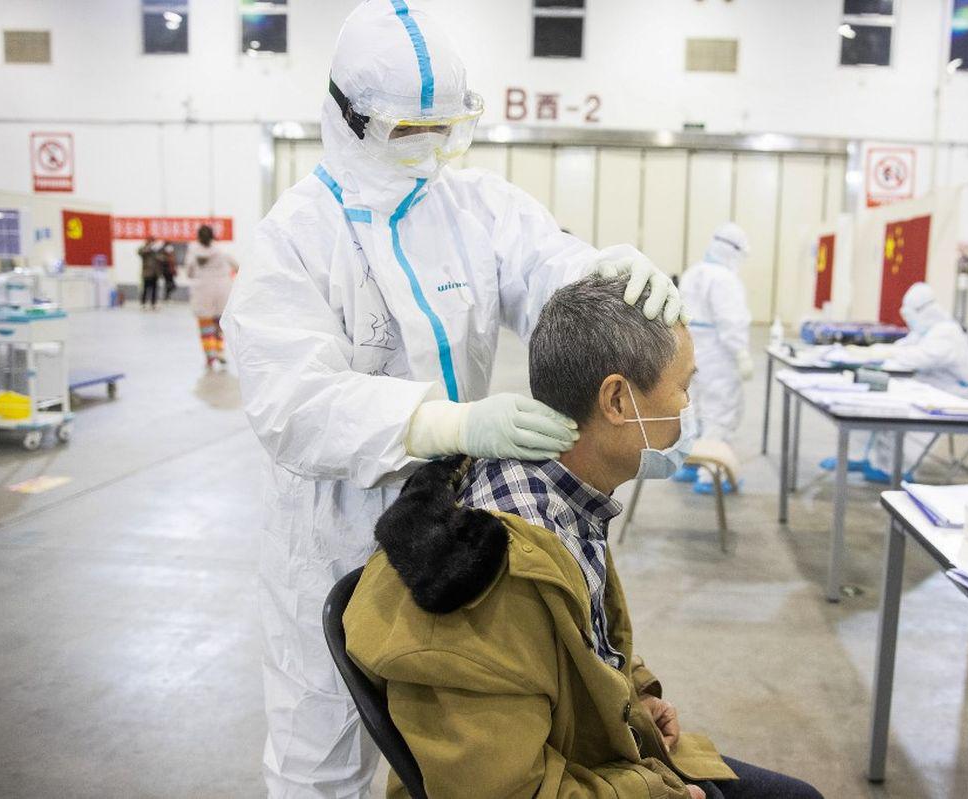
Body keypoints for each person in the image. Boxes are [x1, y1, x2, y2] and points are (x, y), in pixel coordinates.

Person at [221, 3, 683, 796]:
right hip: (331, 529)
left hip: (449, 527)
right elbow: (291, 404)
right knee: (318, 760)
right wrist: (450, 423)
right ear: (348, 117)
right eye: (408, 131)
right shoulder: (296, 239)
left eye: (447, 128)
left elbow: (544, 266)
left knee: (453, 730)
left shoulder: (472, 207)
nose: (430, 150)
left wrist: (597, 268)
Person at [345, 274, 822, 799]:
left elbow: (580, 642)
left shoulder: (567, 495)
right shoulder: (492, 580)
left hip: (590, 755)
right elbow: (507, 793)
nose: (690, 408)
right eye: (683, 386)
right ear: (617, 400)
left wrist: (633, 695)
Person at [825, 282, 968, 482]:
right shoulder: (925, 331)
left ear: (926, 311)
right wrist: (872, 351)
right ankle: (860, 456)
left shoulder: (947, 332)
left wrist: (882, 353)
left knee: (895, 408)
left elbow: (918, 357)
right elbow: (903, 347)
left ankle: (893, 468)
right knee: (872, 401)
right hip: (928, 387)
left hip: (953, 395)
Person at [675, 223, 753, 494]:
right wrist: (741, 353)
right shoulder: (725, 279)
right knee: (721, 411)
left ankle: (690, 463)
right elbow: (731, 320)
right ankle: (713, 476)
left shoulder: (693, 272)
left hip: (691, 351)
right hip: (719, 353)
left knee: (692, 410)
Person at [185, 225, 238, 370]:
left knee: (205, 327)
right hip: (222, 292)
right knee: (218, 325)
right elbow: (237, 266)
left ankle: (210, 355)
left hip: (202, 293)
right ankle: (220, 352)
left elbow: (189, 272)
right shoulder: (222, 251)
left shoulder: (192, 252)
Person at [137, 236, 165, 310]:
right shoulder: (144, 248)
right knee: (145, 289)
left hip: (155, 273)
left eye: (153, 241)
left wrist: (157, 254)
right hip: (146, 273)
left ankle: (153, 304)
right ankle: (143, 303)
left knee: (154, 289)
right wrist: (149, 248)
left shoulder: (157, 250)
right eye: (150, 241)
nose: (152, 242)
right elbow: (140, 252)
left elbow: (163, 258)